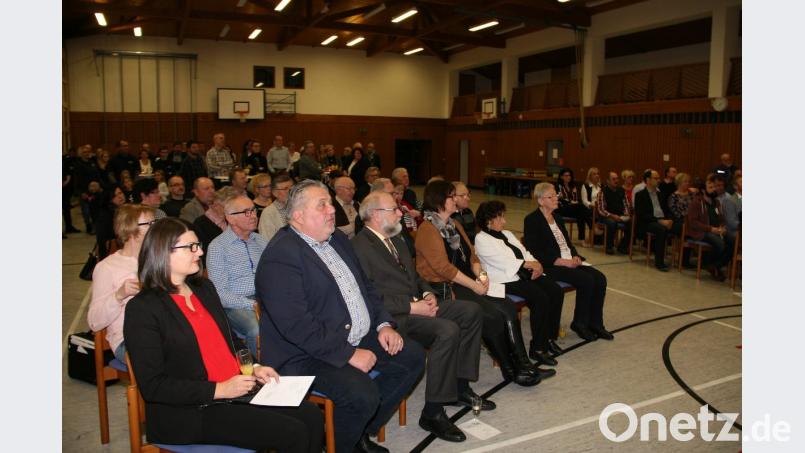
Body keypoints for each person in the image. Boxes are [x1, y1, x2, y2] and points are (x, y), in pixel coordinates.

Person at [123, 217, 323, 452]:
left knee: (311, 415)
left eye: (198, 245)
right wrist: (219, 389)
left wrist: (255, 367)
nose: (199, 252)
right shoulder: (143, 309)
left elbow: (231, 340)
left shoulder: (203, 289)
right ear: (162, 252)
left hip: (235, 391)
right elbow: (153, 386)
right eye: (191, 247)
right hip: (191, 410)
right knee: (293, 432)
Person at [255, 180, 425, 453]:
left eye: (330, 203)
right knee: (362, 394)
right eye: (321, 205)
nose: (331, 209)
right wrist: (348, 354)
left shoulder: (338, 240)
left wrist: (383, 324)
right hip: (306, 354)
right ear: (298, 216)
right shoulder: (281, 257)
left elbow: (367, 287)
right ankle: (335, 445)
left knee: (412, 357)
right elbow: (297, 326)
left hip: (351, 335)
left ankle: (352, 432)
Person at [352, 191, 488, 442]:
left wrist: (427, 292)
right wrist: (411, 307)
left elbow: (413, 276)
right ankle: (433, 411)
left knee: (470, 311)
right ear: (374, 215)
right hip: (393, 318)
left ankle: (459, 386)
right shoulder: (360, 246)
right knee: (447, 331)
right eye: (393, 209)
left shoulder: (397, 238)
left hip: (416, 305)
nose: (400, 212)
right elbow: (367, 296)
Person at [416, 180, 548, 387]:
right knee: (492, 316)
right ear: (440, 200)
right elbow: (443, 268)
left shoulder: (455, 224)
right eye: (452, 196)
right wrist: (474, 284)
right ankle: (510, 368)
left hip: (468, 280)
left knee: (508, 308)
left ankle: (523, 364)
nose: (456, 199)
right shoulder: (427, 229)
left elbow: (472, 256)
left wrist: (481, 275)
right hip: (448, 287)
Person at [474, 200, 565, 365]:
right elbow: (501, 261)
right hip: (503, 279)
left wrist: (536, 264)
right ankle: (538, 348)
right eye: (500, 217)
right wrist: (528, 265)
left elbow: (525, 252)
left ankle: (549, 338)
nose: (504, 221)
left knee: (555, 290)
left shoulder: (507, 234)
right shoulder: (481, 239)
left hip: (522, 273)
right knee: (540, 297)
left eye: (503, 216)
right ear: (489, 220)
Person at [524, 183, 612, 342]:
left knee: (600, 278)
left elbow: (567, 243)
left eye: (555, 195)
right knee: (586, 280)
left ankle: (595, 323)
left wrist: (575, 256)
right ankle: (580, 323)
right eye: (551, 197)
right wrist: (562, 262)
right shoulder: (532, 220)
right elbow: (534, 251)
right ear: (540, 200)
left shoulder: (557, 218)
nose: (556, 198)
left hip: (568, 261)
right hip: (551, 265)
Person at [88, 204, 155, 362]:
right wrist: (119, 295)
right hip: (128, 339)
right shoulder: (107, 267)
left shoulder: (157, 260)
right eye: (149, 224)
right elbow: (94, 321)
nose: (155, 228)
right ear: (131, 230)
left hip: (159, 331)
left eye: (155, 222)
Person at [207, 196, 266, 358]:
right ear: (230, 218)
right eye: (246, 212)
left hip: (264, 297)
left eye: (253, 210)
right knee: (257, 329)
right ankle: (259, 374)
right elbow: (219, 292)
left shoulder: (261, 241)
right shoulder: (218, 247)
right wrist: (251, 304)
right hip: (235, 303)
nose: (253, 215)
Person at [687, 176, 734, 281]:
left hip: (716, 230)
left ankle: (715, 265)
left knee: (732, 241)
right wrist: (710, 229)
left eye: (715, 187)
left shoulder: (716, 202)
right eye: (711, 187)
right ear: (703, 190)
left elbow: (721, 218)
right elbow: (693, 222)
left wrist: (723, 227)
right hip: (701, 232)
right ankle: (710, 264)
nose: (714, 189)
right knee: (720, 243)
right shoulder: (696, 202)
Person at [634, 170, 673, 272]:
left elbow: (666, 210)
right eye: (656, 178)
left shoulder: (661, 194)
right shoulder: (640, 195)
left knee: (679, 226)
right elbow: (642, 215)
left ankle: (683, 261)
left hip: (662, 220)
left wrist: (669, 220)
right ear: (648, 180)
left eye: (659, 178)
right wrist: (659, 221)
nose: (658, 180)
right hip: (648, 222)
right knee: (661, 229)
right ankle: (659, 262)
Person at [596, 171, 632, 255]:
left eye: (617, 179)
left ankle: (622, 246)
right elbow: (601, 209)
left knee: (632, 223)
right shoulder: (602, 192)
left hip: (620, 216)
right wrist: (612, 215)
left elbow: (626, 204)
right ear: (608, 181)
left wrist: (626, 214)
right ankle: (609, 247)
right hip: (606, 216)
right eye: (613, 179)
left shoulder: (622, 191)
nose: (616, 181)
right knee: (611, 223)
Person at [554, 168, 590, 243]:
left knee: (581, 214)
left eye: (569, 175)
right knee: (581, 207)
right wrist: (570, 202)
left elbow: (576, 199)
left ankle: (582, 239)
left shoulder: (573, 186)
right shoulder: (558, 186)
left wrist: (573, 202)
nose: (568, 177)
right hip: (562, 209)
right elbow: (559, 199)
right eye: (566, 175)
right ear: (561, 177)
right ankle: (592, 225)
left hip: (573, 208)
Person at [95, 186, 128, 259]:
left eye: (120, 193)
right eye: (115, 196)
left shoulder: (128, 209)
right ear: (109, 199)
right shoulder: (105, 215)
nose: (120, 197)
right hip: (113, 252)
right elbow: (102, 240)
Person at [258, 174, 293, 242]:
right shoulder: (268, 213)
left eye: (292, 188)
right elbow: (267, 242)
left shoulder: (299, 207)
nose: (290, 192)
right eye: (285, 189)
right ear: (274, 193)